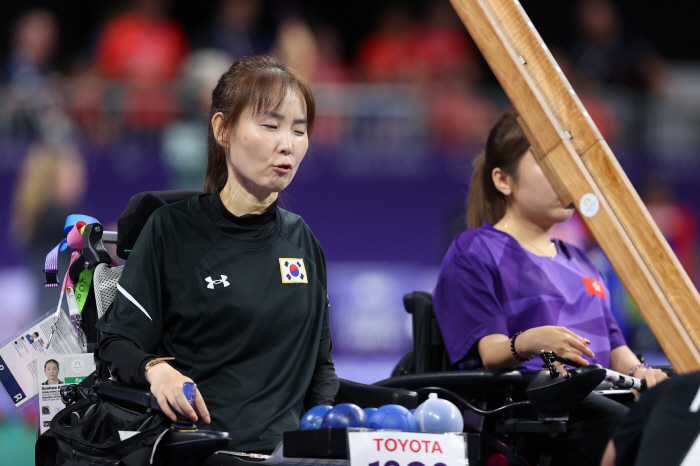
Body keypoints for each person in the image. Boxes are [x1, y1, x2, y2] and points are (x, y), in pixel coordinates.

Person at [96, 55, 339, 455]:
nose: (287, 144)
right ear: (222, 129)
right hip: (200, 451)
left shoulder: (303, 241)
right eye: (270, 125)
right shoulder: (170, 231)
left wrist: (314, 436)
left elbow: (321, 368)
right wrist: (157, 371)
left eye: (299, 130)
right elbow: (116, 341)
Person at [431, 111, 667, 465]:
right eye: (547, 164)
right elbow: (490, 351)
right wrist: (531, 341)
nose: (566, 178)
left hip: (600, 398)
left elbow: (615, 346)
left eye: (569, 165)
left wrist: (641, 374)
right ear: (503, 180)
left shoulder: (582, 261)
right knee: (637, 430)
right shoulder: (475, 249)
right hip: (537, 412)